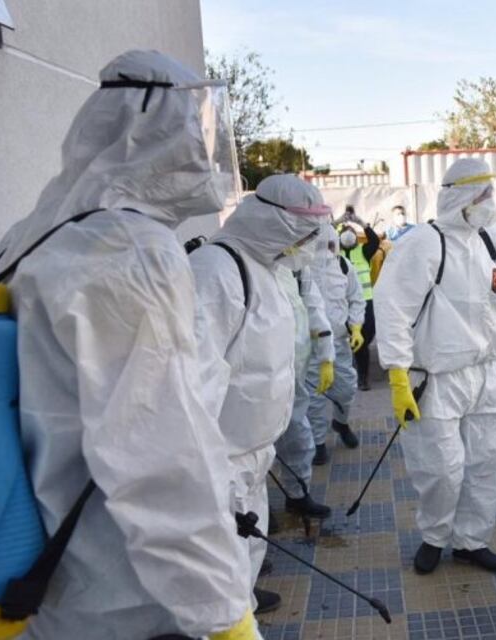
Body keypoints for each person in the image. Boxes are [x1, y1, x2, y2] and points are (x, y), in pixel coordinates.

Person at [0, 50, 258, 639]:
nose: (206, 151)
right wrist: (225, 615)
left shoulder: (34, 235)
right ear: (154, 134)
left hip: (52, 584)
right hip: (128, 598)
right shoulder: (128, 250)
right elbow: (162, 460)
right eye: (197, 128)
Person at [374, 158, 496, 575]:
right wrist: (397, 374)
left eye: (492, 193)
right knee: (442, 468)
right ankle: (435, 536)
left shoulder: (493, 241)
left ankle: (472, 540)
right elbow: (392, 307)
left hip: (486, 372)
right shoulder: (423, 243)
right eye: (482, 194)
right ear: (459, 196)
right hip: (435, 376)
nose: (490, 202)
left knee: (489, 461)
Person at [190, 174, 330, 616]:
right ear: (273, 223)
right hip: (222, 458)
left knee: (248, 544)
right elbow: (193, 382)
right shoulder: (216, 270)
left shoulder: (266, 269)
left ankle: (243, 603)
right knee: (219, 561)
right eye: (303, 233)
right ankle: (227, 618)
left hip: (255, 450)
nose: (308, 244)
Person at [274, 258, 335, 519]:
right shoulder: (240, 262)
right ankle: (250, 509)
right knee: (251, 453)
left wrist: (326, 357)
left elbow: (314, 308)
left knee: (298, 434)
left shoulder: (297, 268)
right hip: (250, 381)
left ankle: (298, 494)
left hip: (293, 372)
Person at [307, 226, 366, 464]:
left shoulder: (343, 266)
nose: (328, 251)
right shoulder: (300, 270)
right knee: (315, 397)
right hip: (311, 348)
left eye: (331, 245)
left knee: (346, 388)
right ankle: (318, 442)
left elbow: (356, 297)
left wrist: (356, 326)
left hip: (340, 343)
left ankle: (340, 423)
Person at [337, 209, 380, 390]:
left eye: (351, 232)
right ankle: (359, 376)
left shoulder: (363, 251)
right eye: (344, 233)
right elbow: (320, 238)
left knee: (365, 338)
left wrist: (361, 223)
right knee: (349, 341)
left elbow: (375, 241)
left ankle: (361, 373)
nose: (348, 235)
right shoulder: (334, 255)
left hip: (366, 303)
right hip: (343, 304)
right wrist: (339, 221)